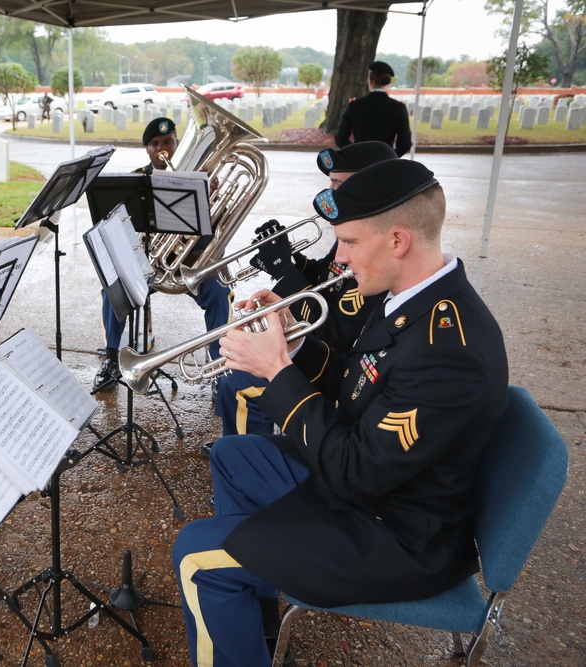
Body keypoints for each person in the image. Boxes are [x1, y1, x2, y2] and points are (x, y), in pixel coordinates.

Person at [173, 158, 508, 667]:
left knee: (197, 556)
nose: (341, 259)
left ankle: (233, 589)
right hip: (380, 490)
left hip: (396, 534)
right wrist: (294, 341)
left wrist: (278, 374)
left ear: (398, 240)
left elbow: (357, 472)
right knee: (232, 456)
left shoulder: (450, 350)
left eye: (349, 243)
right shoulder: (411, 297)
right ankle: (249, 617)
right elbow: (359, 381)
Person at [211, 141, 396, 443]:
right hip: (320, 349)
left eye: (338, 185)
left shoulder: (374, 249)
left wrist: (286, 272)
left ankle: (255, 453)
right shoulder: (353, 230)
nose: (331, 194)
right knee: (231, 359)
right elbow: (328, 272)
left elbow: (334, 327)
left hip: (332, 359)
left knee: (240, 384)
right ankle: (240, 451)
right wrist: (291, 259)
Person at [94, 117, 232, 391]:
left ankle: (219, 367)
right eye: (154, 144)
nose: (161, 148)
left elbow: (219, 228)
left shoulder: (200, 179)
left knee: (218, 293)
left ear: (177, 143)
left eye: (167, 142)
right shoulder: (134, 180)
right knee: (112, 289)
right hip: (151, 262)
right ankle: (112, 359)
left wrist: (212, 198)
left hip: (191, 261)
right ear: (147, 149)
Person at [335, 61, 412, 157]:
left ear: (370, 81)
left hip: (360, 163)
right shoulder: (398, 107)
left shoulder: (355, 105)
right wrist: (390, 156)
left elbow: (340, 139)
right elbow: (405, 143)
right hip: (386, 163)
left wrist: (356, 154)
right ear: (388, 83)